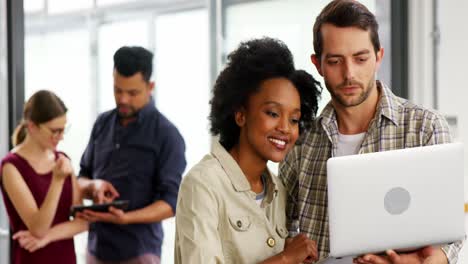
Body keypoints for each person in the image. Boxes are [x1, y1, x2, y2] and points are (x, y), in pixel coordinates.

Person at [279, 1, 463, 264]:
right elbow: (280, 228)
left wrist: (425, 261)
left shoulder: (425, 127)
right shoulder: (301, 141)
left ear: (378, 56)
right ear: (318, 64)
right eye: (334, 61)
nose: (349, 73)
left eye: (361, 58)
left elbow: (452, 235)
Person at [175, 37, 322, 263]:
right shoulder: (202, 184)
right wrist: (285, 258)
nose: (285, 128)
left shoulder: (277, 190)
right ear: (240, 114)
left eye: (294, 119)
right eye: (272, 113)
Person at [76, 46, 186, 263]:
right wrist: (94, 185)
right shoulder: (101, 124)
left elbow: (171, 203)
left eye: (132, 93)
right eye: (118, 90)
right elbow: (80, 180)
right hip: (96, 249)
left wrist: (126, 219)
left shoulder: (167, 135)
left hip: (139, 251)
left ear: (150, 86)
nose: (123, 99)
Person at [0, 90, 88, 264]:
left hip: (65, 258)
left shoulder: (63, 160)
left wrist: (47, 238)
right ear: (32, 126)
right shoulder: (11, 166)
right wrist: (56, 181)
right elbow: (38, 228)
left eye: (63, 130)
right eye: (55, 131)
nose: (61, 137)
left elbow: (82, 222)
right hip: (32, 259)